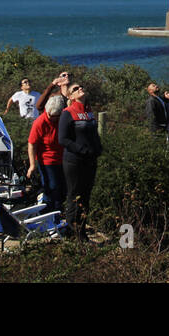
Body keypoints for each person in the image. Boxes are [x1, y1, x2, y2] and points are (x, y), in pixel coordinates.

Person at [57, 82, 102, 242]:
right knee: (74, 196)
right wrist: (81, 150)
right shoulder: (67, 113)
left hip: (90, 160)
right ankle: (73, 233)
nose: (80, 88)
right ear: (70, 96)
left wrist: (99, 148)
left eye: (81, 87)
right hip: (74, 161)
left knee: (86, 197)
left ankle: (82, 230)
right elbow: (63, 139)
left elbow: (93, 134)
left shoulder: (89, 112)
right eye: (75, 89)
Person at [26, 95, 67, 214]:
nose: (53, 119)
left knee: (63, 188)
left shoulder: (63, 119)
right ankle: (51, 214)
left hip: (63, 159)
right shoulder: (40, 122)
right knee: (52, 188)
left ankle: (59, 213)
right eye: (51, 116)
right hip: (47, 161)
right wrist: (32, 165)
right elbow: (32, 144)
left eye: (56, 116)